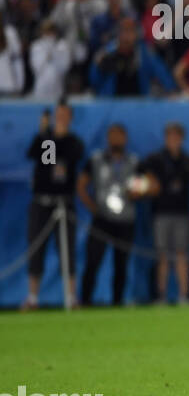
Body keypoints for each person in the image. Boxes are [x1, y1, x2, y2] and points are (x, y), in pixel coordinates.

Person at [23, 103, 83, 310]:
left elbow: (71, 157)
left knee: (67, 250)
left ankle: (71, 296)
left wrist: (56, 137)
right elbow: (35, 155)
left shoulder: (73, 141)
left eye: (65, 114)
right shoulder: (44, 138)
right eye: (59, 114)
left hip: (63, 202)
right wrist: (45, 133)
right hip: (41, 201)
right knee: (36, 248)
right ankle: (32, 297)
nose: (61, 118)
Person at [77, 123, 141, 307]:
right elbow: (81, 184)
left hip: (125, 219)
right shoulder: (96, 159)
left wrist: (139, 191)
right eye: (113, 136)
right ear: (107, 138)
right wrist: (93, 207)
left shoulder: (134, 161)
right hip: (102, 219)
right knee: (93, 261)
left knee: (121, 264)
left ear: (125, 139)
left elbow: (148, 182)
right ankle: (85, 301)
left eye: (119, 136)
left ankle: (117, 302)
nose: (116, 139)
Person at [139, 123, 189, 304]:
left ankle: (183, 295)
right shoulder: (155, 159)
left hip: (181, 212)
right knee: (162, 255)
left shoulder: (188, 161)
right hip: (161, 213)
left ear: (181, 138)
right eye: (170, 136)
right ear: (166, 138)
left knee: (181, 253)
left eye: (176, 136)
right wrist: (150, 182)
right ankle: (162, 296)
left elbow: (187, 181)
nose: (173, 140)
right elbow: (140, 172)